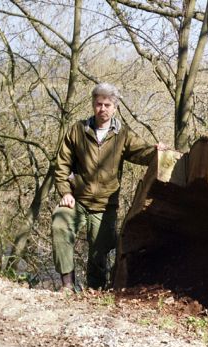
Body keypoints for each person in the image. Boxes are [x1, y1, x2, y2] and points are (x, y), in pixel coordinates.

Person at [52, 83, 163, 291]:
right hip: (77, 199)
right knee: (59, 226)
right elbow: (61, 164)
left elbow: (142, 152)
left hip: (105, 204)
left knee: (99, 252)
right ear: (93, 105)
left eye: (107, 105)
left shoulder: (123, 135)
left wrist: (157, 152)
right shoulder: (78, 130)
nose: (102, 109)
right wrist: (65, 191)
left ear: (115, 107)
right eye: (98, 104)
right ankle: (67, 285)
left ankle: (95, 291)